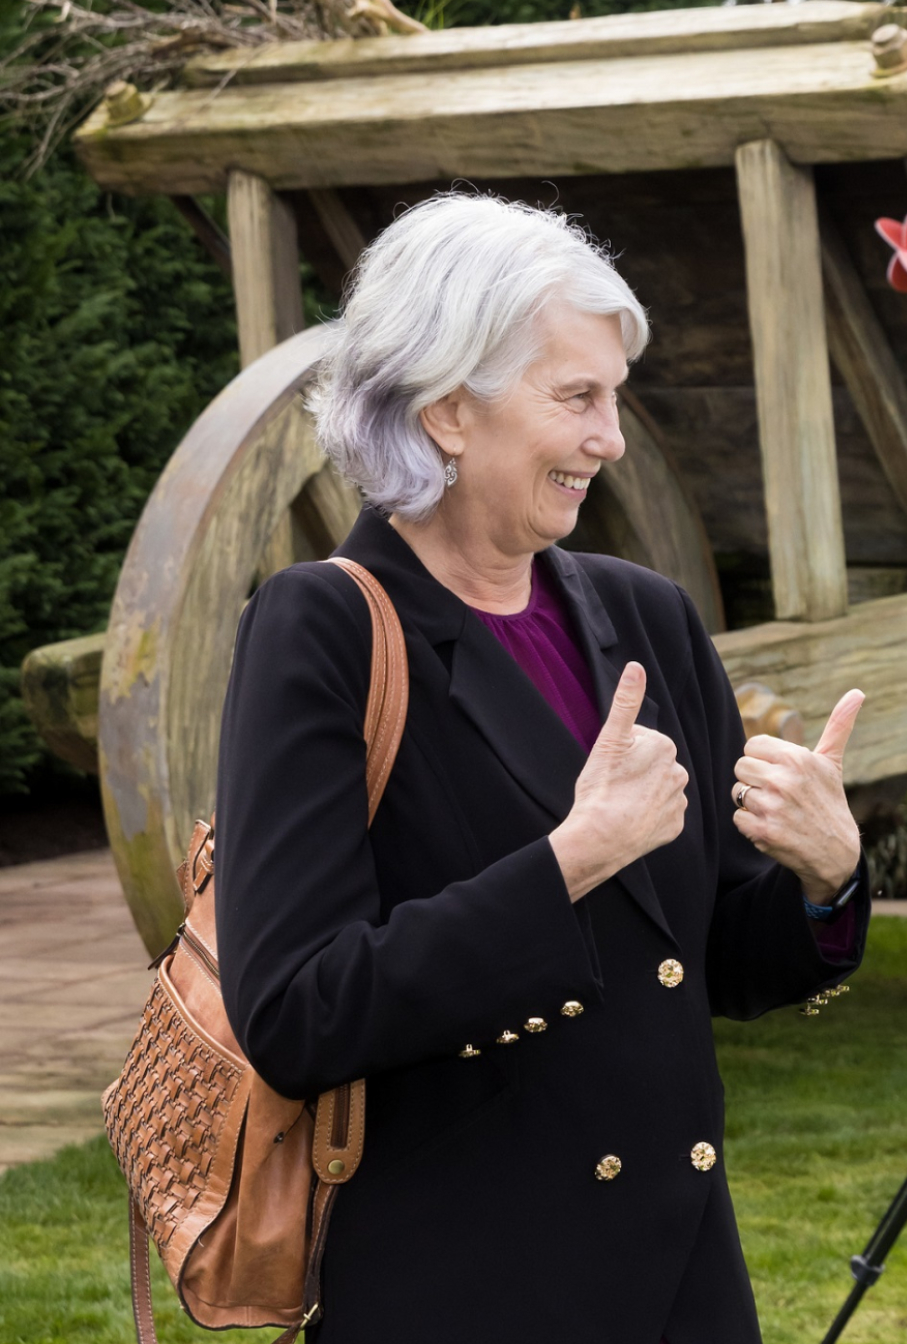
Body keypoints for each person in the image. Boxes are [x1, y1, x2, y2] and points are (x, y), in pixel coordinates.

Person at [214, 192, 870, 1342]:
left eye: (612, 399)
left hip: (682, 1283)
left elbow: (717, 958)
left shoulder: (646, 615)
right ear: (450, 410)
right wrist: (569, 859)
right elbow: (297, 1013)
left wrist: (828, 880)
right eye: (577, 398)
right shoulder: (322, 627)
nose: (610, 439)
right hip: (468, 1290)